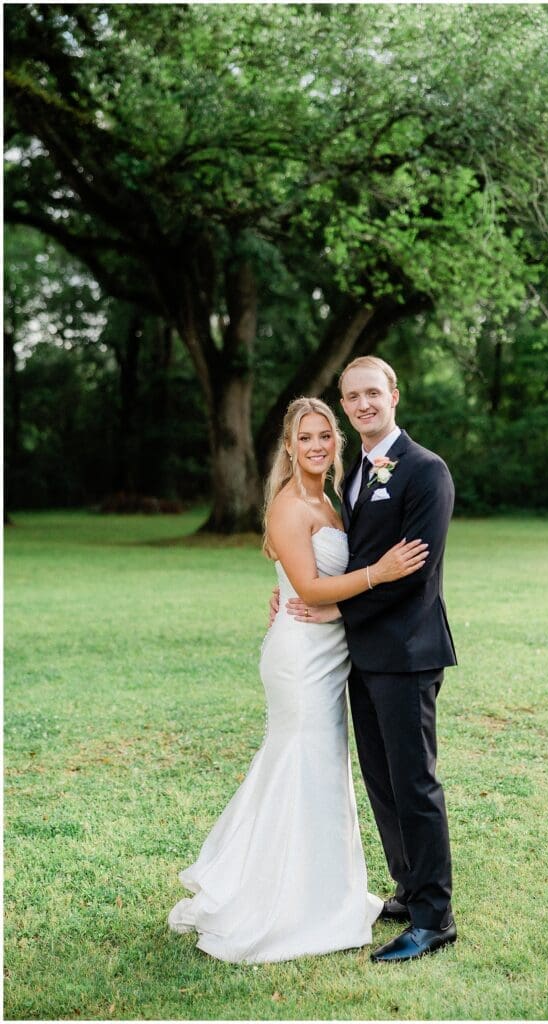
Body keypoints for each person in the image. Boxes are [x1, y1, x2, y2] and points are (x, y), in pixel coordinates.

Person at [167, 396, 428, 964]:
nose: (316, 445)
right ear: (288, 447)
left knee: (321, 767)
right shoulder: (290, 504)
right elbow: (310, 590)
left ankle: (320, 894)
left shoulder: (331, 498)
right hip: (302, 656)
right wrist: (377, 573)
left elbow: (305, 574)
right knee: (300, 764)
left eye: (324, 436)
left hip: (331, 651)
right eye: (304, 437)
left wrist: (293, 584)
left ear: (335, 442)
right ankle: (281, 905)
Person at [283, 356, 457, 962]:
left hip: (408, 653)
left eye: (372, 393)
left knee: (414, 781)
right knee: (381, 780)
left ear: (394, 396)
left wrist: (338, 613)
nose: (362, 404)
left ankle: (435, 918)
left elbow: (414, 577)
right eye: (351, 397)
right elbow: (347, 558)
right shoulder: (355, 471)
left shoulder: (426, 471)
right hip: (365, 656)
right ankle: (409, 890)